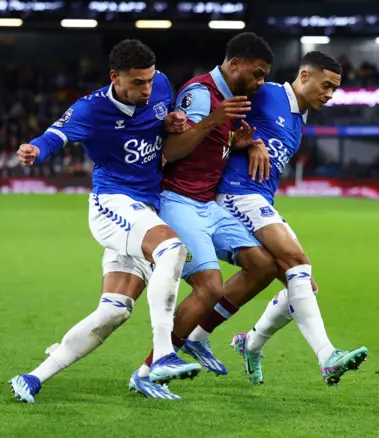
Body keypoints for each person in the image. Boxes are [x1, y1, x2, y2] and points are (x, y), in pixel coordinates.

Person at [8, 39, 249, 403]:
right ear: (115, 78)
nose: (147, 89)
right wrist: (35, 150)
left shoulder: (161, 86)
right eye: (138, 83)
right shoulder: (91, 110)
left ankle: (32, 377)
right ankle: (164, 353)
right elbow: (55, 135)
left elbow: (166, 123)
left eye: (150, 81)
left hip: (144, 214)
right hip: (113, 204)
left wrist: (173, 120)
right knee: (172, 249)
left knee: (114, 312)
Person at [189, 51, 368, 386]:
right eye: (325, 85)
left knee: (301, 285)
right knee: (297, 263)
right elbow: (219, 120)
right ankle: (327, 356)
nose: (329, 95)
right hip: (235, 193)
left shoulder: (299, 122)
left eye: (334, 89)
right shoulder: (267, 93)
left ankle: (247, 343)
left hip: (259, 200)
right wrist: (248, 141)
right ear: (304, 76)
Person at [130, 32, 280, 391]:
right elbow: (174, 148)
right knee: (209, 287)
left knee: (264, 265)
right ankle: (148, 372)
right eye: (257, 74)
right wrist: (214, 120)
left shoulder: (229, 99)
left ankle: (197, 336)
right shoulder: (201, 95)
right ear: (234, 65)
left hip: (207, 204)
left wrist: (240, 142)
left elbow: (208, 146)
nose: (261, 82)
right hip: (178, 200)